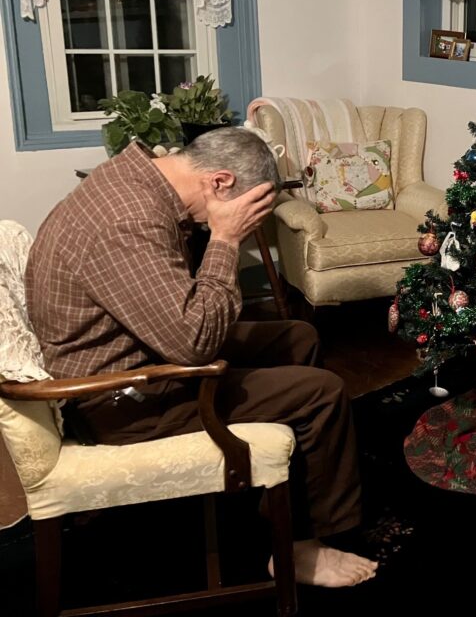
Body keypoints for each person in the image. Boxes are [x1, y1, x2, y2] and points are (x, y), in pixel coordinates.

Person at [25, 129, 377, 588]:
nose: (252, 224)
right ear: (221, 183)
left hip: (139, 348)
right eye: (252, 210)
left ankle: (280, 498)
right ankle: (302, 548)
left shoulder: (142, 179)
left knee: (299, 337)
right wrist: (226, 239)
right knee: (323, 394)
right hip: (120, 398)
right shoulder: (129, 220)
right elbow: (194, 343)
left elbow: (175, 311)